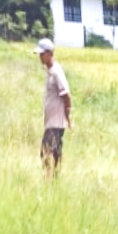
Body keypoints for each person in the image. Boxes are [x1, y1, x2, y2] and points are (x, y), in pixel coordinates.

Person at [33, 38, 72, 177]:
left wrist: (68, 117)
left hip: (56, 122)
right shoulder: (50, 72)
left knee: (46, 152)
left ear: (49, 53)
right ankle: (53, 179)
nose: (40, 57)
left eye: (42, 54)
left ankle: (49, 180)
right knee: (53, 152)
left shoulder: (56, 72)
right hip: (51, 122)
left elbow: (66, 95)